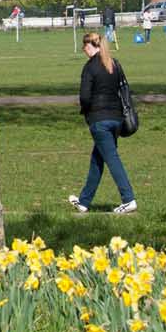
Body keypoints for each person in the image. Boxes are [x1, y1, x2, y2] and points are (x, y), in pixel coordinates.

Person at [70, 31, 137, 214]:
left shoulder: (90, 67)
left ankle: (128, 198)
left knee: (112, 159)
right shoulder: (114, 64)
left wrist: (86, 112)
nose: (84, 49)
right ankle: (84, 202)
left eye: (85, 46)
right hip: (116, 119)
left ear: (93, 46)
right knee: (97, 160)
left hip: (99, 120)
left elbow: (84, 96)